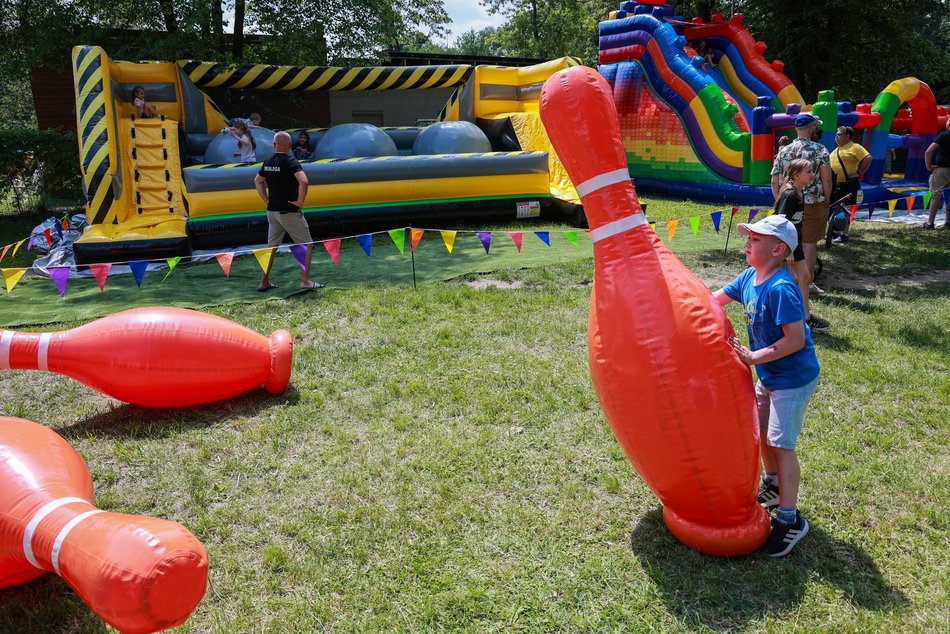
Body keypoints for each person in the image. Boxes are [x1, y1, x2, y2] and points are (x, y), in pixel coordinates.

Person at [713, 215, 820, 557]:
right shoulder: (748, 277)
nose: (748, 242)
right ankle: (773, 486)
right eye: (749, 237)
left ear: (777, 249)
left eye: (755, 240)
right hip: (770, 375)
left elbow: (795, 339)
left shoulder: (781, 288)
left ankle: (790, 520)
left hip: (791, 377)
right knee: (761, 433)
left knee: (781, 443)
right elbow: (712, 300)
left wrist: (755, 357)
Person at [771, 114, 832, 331]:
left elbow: (774, 178)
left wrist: (778, 197)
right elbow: (826, 178)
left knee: (799, 268)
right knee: (808, 244)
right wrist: (826, 199)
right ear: (811, 128)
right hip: (811, 204)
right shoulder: (820, 150)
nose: (811, 175)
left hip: (791, 203)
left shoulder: (784, 150)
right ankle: (803, 289)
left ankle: (804, 307)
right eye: (815, 127)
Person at [254, 131, 322, 292]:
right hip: (289, 211)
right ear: (290, 145)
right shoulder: (291, 161)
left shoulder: (268, 161)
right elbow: (304, 181)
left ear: (274, 145)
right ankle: (305, 281)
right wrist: (300, 202)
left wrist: (267, 200)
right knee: (306, 244)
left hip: (272, 211)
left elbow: (257, 181)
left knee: (271, 247)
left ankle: (264, 282)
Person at [774, 158, 814, 314]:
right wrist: (788, 250)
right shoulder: (790, 195)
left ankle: (805, 317)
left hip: (793, 242)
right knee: (782, 280)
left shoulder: (799, 191)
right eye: (809, 171)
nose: (812, 174)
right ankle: (793, 315)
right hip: (784, 243)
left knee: (804, 278)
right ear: (796, 175)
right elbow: (781, 222)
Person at [829, 126, 871, 243]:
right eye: (836, 134)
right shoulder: (835, 150)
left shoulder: (855, 147)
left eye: (839, 134)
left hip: (849, 184)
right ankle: (835, 231)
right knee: (838, 209)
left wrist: (859, 172)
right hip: (837, 185)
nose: (836, 136)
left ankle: (844, 233)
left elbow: (868, 158)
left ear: (848, 136)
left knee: (845, 209)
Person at [923, 116, 950, 229]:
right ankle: (948, 223)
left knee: (935, 196)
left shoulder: (944, 135)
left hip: (942, 169)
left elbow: (929, 151)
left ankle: (930, 223)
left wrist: (929, 166)